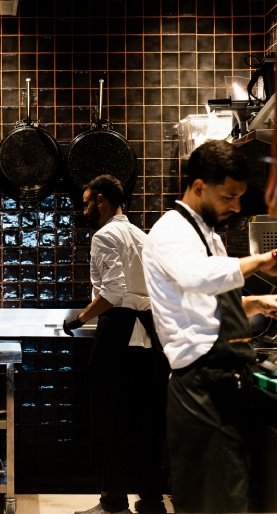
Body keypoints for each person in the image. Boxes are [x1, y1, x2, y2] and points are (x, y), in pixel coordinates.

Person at [142, 140, 277, 513]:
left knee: (230, 495)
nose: (236, 206)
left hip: (224, 382)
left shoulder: (207, 234)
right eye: (228, 196)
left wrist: (257, 303)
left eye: (240, 196)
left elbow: (204, 302)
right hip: (201, 386)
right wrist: (259, 260)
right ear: (199, 186)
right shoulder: (171, 231)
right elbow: (194, 277)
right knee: (214, 501)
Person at [64, 175, 169, 514]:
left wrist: (78, 319)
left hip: (119, 335)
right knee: (148, 424)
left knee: (111, 422)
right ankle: (152, 501)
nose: (84, 211)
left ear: (101, 199)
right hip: (149, 337)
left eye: (86, 204)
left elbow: (112, 292)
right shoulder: (143, 236)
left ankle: (113, 502)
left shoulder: (105, 235)